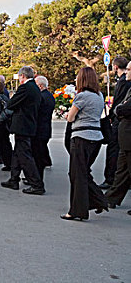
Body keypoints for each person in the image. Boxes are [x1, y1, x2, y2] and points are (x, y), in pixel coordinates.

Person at [61, 67, 108, 220]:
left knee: (77, 174)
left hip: (81, 136)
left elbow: (71, 118)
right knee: (84, 171)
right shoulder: (99, 96)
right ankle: (98, 200)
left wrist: (68, 113)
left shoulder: (81, 96)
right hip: (96, 137)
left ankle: (77, 211)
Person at [1, 66, 44, 195]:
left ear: (23, 76)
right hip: (29, 124)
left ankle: (36, 184)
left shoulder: (25, 88)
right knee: (17, 153)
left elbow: (11, 104)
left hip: (23, 125)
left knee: (24, 155)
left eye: (19, 76)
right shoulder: (35, 88)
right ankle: (14, 179)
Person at [100, 57, 131, 190]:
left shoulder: (124, 82)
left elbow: (119, 102)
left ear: (115, 67)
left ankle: (110, 178)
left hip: (120, 120)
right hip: (121, 118)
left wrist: (112, 114)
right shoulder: (124, 81)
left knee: (114, 149)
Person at [105, 60, 131, 213]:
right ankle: (111, 198)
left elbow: (125, 108)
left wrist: (119, 109)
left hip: (128, 136)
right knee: (122, 170)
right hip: (125, 137)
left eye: (128, 70)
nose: (125, 72)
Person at [31, 76, 55, 181]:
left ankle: (36, 178)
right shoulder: (50, 96)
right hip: (46, 128)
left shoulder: (41, 97)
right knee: (40, 152)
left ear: (40, 86)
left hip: (38, 129)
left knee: (37, 156)